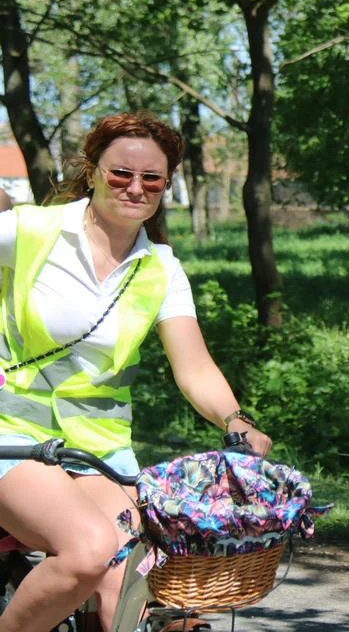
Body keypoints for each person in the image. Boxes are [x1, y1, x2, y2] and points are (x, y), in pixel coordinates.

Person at [0, 112, 272, 632]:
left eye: (152, 179)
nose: (135, 187)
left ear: (165, 186)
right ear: (93, 169)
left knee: (131, 582)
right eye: (121, 173)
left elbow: (193, 366)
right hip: (11, 437)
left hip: (98, 448)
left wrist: (235, 420)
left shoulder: (162, 269)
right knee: (87, 551)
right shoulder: (28, 231)